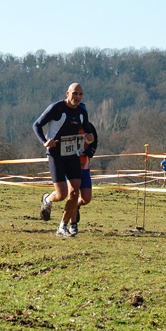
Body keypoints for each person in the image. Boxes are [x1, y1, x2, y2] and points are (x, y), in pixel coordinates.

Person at [33, 83, 94, 237]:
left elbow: (87, 127)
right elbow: (37, 125)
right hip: (55, 155)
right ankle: (47, 198)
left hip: (73, 154)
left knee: (74, 193)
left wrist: (89, 136)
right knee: (61, 195)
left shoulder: (82, 111)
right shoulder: (56, 108)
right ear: (67, 93)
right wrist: (45, 142)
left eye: (80, 94)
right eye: (75, 93)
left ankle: (63, 226)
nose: (78, 97)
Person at [75, 120, 98, 225]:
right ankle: (70, 226)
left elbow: (94, 142)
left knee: (86, 198)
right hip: (69, 166)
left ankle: (75, 206)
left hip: (84, 167)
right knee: (66, 194)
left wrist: (90, 151)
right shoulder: (65, 125)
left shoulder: (88, 126)